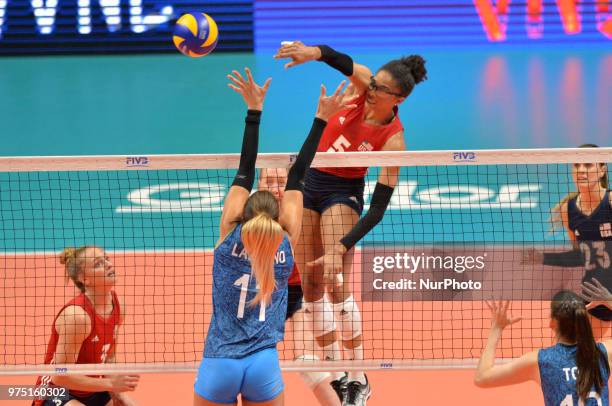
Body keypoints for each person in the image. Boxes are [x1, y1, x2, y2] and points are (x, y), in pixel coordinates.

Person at [274, 41, 428, 405]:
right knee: (310, 281)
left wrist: (341, 247)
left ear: (399, 100)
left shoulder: (394, 140)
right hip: (309, 181)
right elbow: (337, 58)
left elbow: (377, 209)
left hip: (342, 191)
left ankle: (358, 375)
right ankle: (335, 371)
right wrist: (311, 52)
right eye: (372, 83)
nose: (370, 90)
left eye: (380, 89)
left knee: (334, 278)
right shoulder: (364, 87)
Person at [193, 67, 356, 406]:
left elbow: (245, 167)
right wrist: (321, 118)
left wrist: (254, 110)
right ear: (278, 212)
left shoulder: (228, 235)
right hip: (263, 364)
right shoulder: (287, 237)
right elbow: (299, 174)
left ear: (243, 208)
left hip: (219, 360)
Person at [258, 167, 340, 406]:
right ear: (259, 185)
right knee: (253, 365)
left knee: (308, 364)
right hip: (261, 298)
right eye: (268, 181)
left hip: (297, 294)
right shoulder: (248, 218)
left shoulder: (305, 213)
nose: (275, 188)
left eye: (281, 181)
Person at [523, 144, 612, 338]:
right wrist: (542, 257)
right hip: (593, 297)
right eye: (577, 165)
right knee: (584, 361)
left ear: (602, 169)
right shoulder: (568, 210)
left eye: (588, 165)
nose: (581, 170)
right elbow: (581, 255)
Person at [33, 246, 139, 406]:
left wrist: (116, 393)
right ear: (84, 279)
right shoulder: (77, 317)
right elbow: (60, 375)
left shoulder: (118, 306)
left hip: (91, 388)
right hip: (56, 390)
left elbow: (109, 357)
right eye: (98, 264)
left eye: (107, 259)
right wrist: (110, 384)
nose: (109, 264)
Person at [475, 293, 612, 406]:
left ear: (552, 323)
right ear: (583, 320)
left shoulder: (541, 361)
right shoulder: (603, 354)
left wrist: (496, 329)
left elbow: (482, 377)